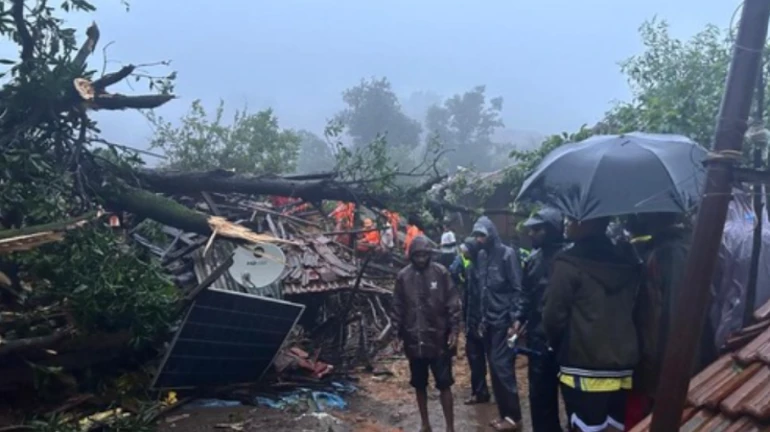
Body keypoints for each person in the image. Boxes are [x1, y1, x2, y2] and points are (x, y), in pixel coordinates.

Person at [543, 216, 640, 432]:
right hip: (622, 366)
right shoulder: (628, 261)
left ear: (592, 223)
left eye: (574, 219)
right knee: (615, 427)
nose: (568, 223)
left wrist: (558, 344)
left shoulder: (567, 264)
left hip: (582, 366)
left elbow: (552, 316)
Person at [631, 212, 704, 429]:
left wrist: (657, 369)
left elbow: (669, 317)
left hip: (669, 361)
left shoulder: (668, 253)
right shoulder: (684, 245)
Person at [392, 235, 461, 432]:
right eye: (417, 255)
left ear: (429, 254)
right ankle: (425, 424)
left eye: (424, 255)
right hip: (414, 340)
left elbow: (453, 304)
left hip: (438, 340)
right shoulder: (403, 277)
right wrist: (396, 334)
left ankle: (450, 427)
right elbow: (397, 307)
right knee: (419, 384)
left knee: (444, 384)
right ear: (411, 256)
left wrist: (454, 331)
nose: (421, 259)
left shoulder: (441, 273)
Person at [471, 216, 525, 431]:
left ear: (491, 233)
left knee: (502, 367)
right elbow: (483, 289)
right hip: (489, 321)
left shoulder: (507, 254)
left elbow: (517, 288)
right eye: (476, 235)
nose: (479, 239)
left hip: (504, 320)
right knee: (494, 367)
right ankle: (505, 415)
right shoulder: (482, 256)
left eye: (482, 234)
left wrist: (515, 318)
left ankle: (514, 417)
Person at [519, 208, 566, 432]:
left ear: (552, 230)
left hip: (568, 339)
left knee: (573, 397)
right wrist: (518, 319)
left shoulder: (571, 257)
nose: (531, 234)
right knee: (539, 396)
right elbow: (525, 295)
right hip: (538, 338)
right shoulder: (532, 260)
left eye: (537, 229)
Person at [452, 238, 491, 406]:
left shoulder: (481, 271)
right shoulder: (471, 269)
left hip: (480, 323)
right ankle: (479, 391)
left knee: (480, 360)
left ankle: (481, 391)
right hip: (473, 322)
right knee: (475, 360)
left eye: (466, 248)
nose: (463, 251)